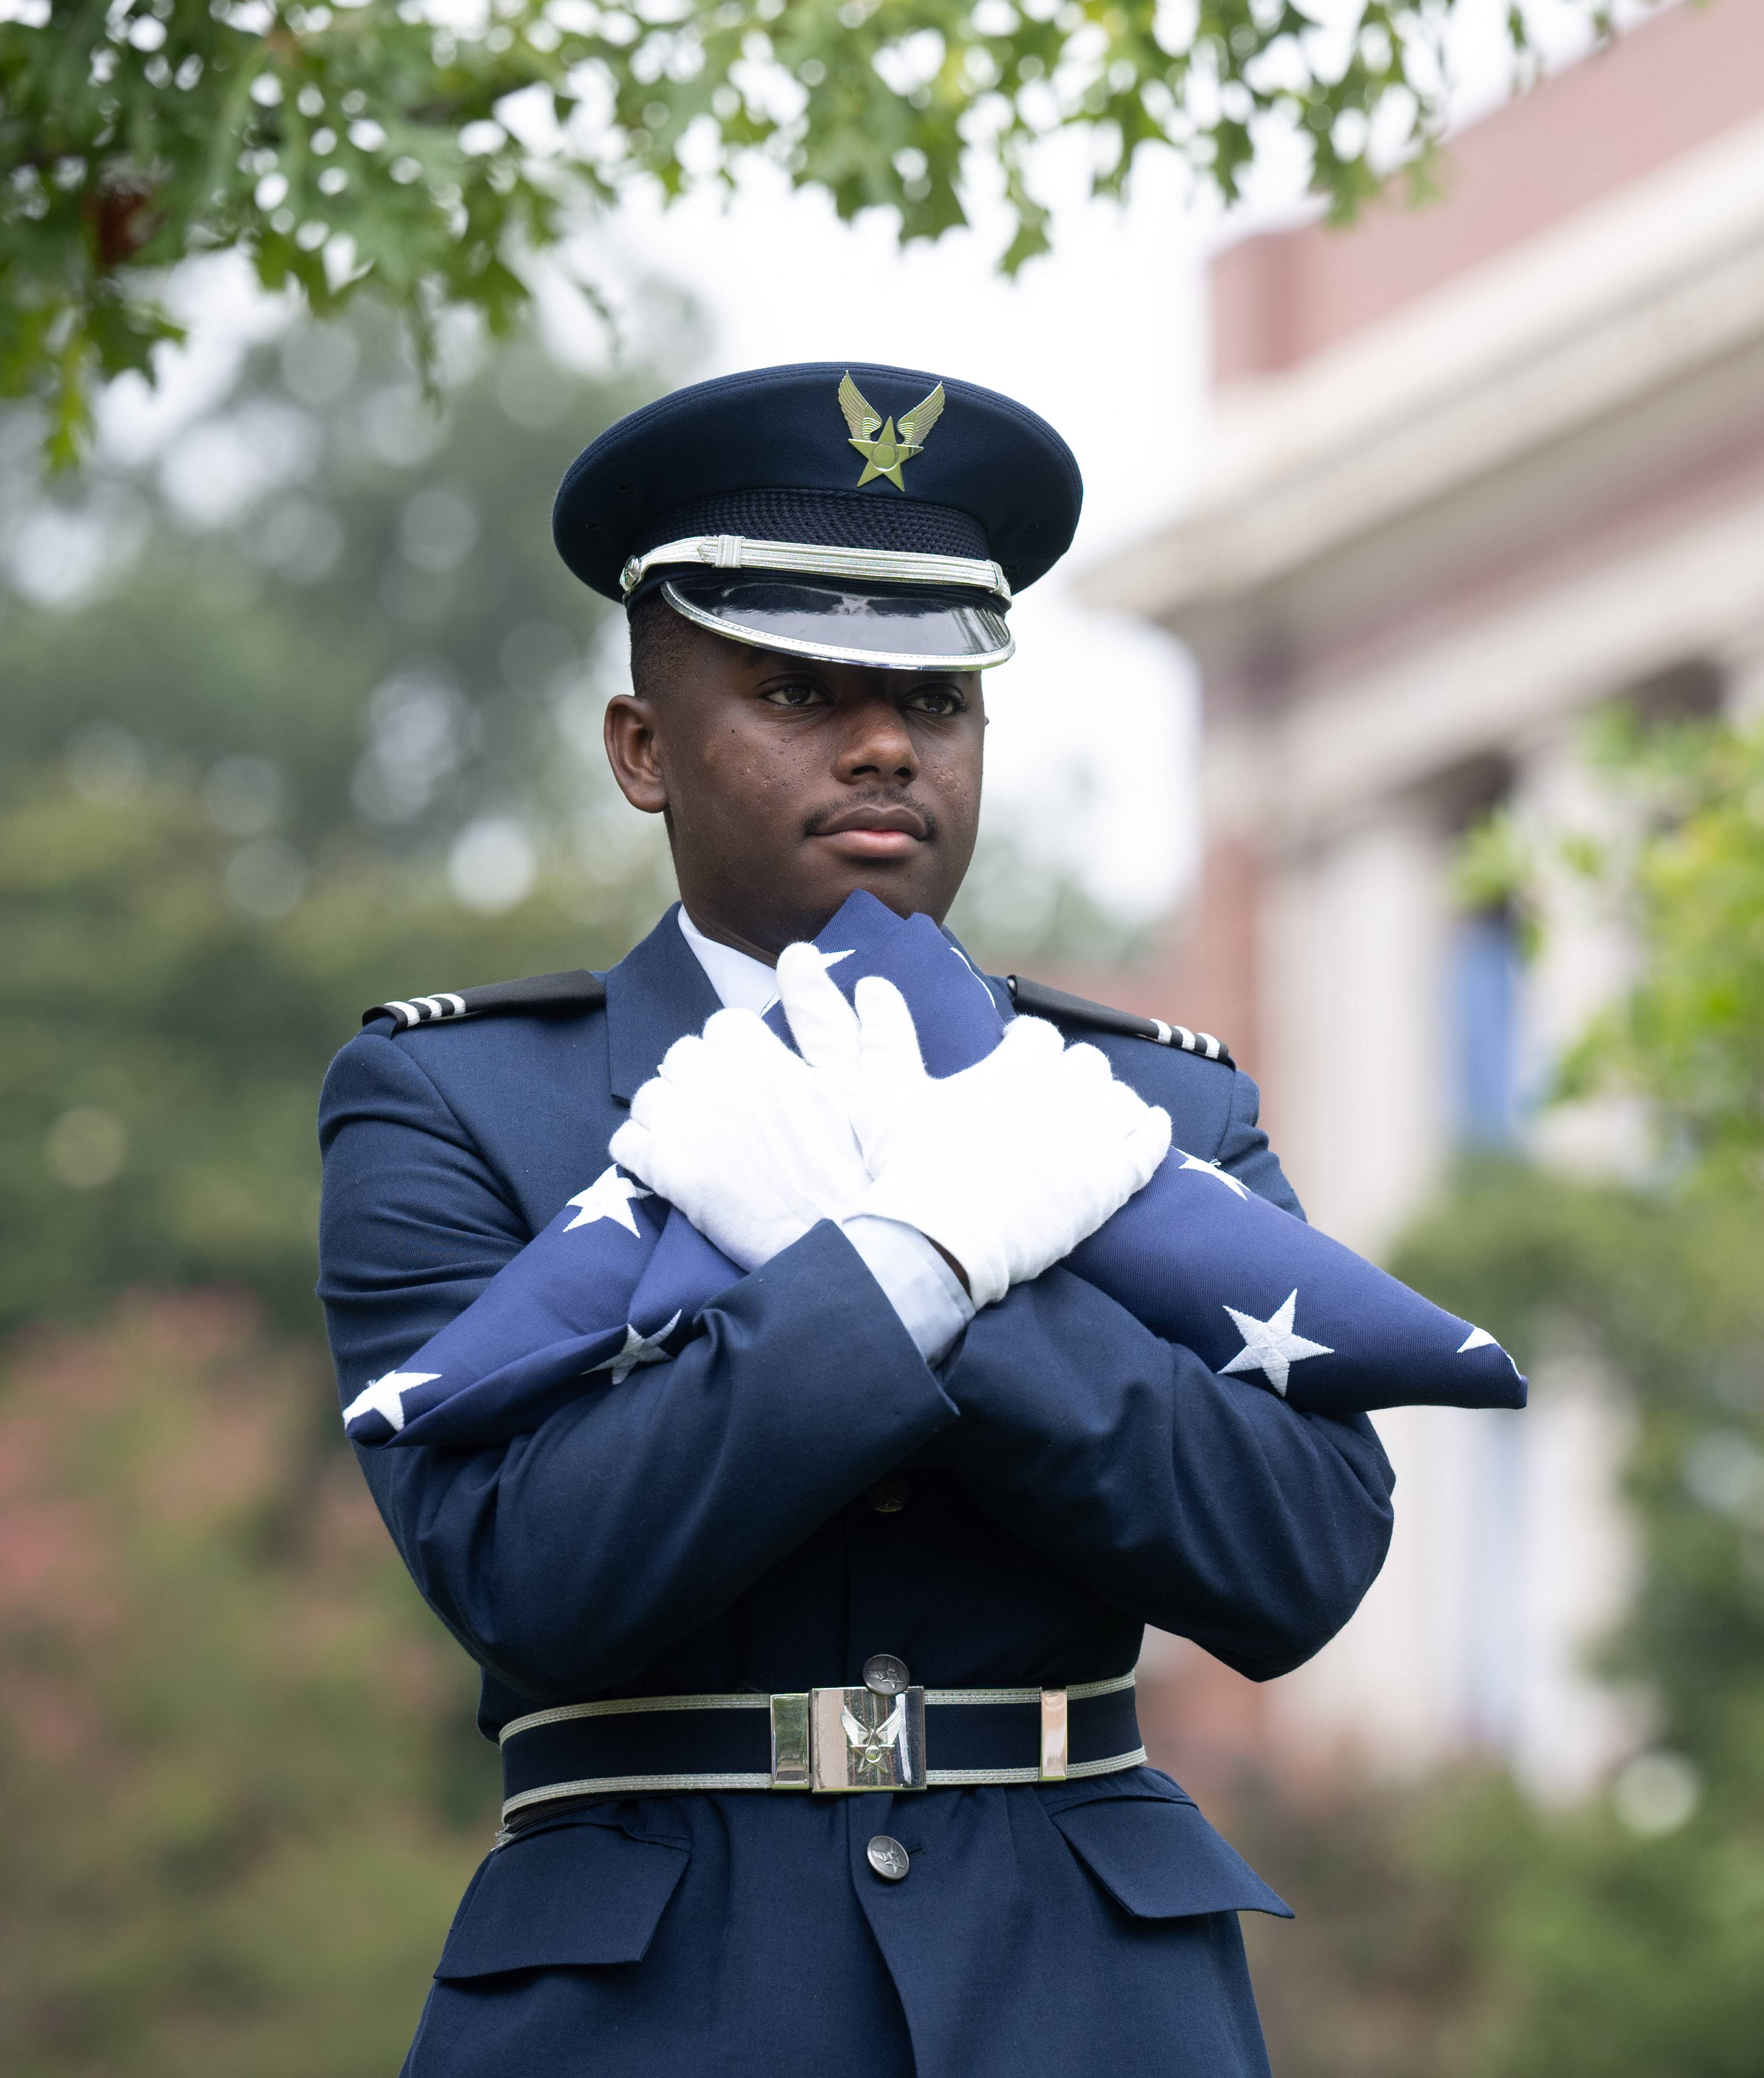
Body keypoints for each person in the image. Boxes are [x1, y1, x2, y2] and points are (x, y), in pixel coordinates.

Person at [316, 362, 1395, 2077]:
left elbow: (1303, 1558)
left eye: (938, 700)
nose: (887, 743)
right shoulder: (457, 1102)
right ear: (643, 750)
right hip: (648, 2010)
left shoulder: (1136, 1110)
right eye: (798, 688)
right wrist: (911, 1267)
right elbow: (528, 1571)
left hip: (1085, 2001)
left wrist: (952, 1249)